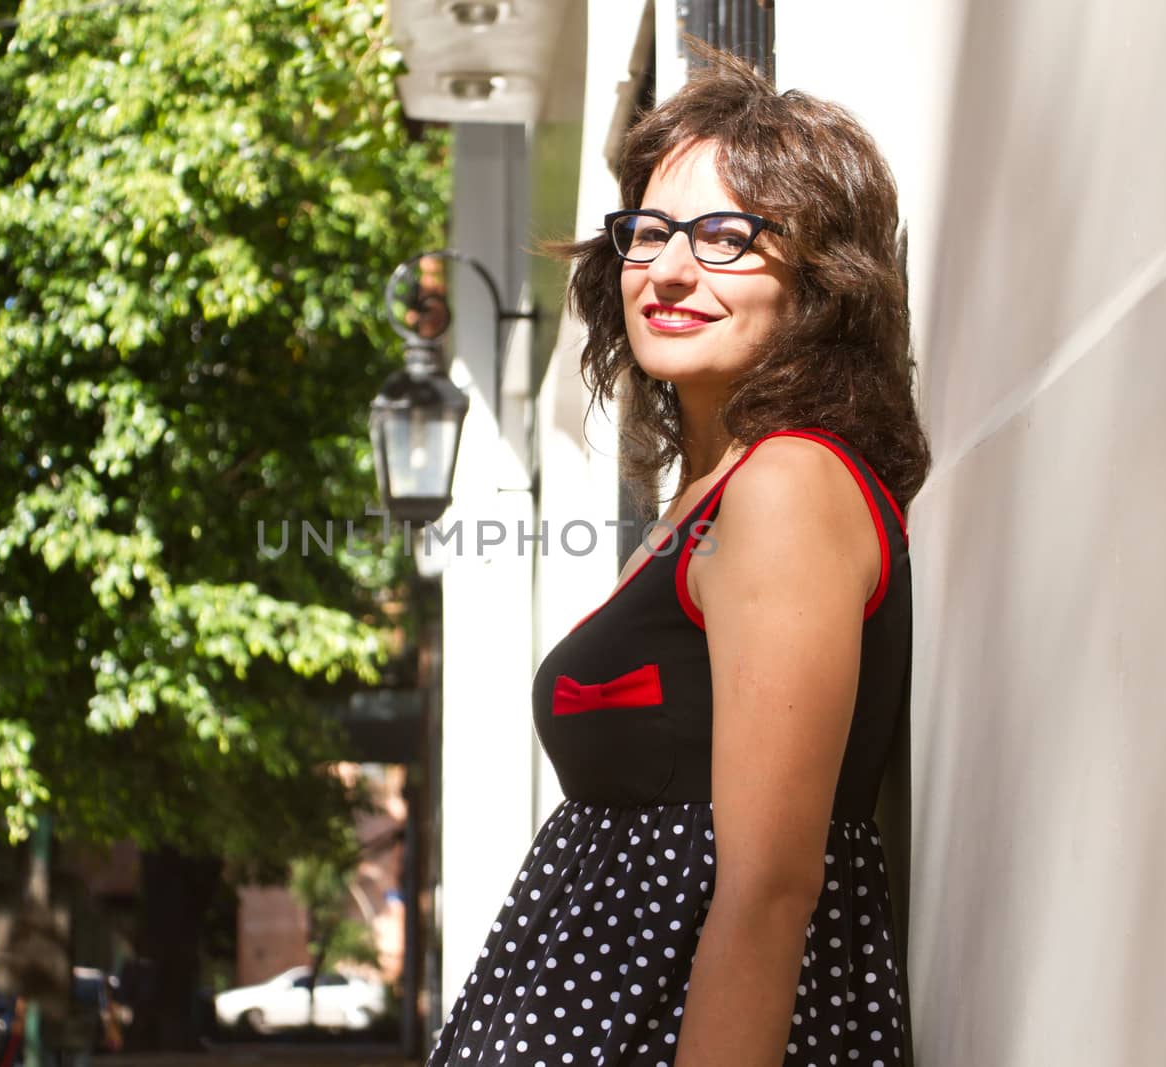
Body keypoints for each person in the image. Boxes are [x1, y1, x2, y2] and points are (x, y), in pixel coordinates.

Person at [425, 43, 930, 1067]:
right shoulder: (701, 503)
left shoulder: (787, 484)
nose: (669, 268)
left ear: (825, 278)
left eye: (726, 237)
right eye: (649, 233)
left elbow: (771, 887)